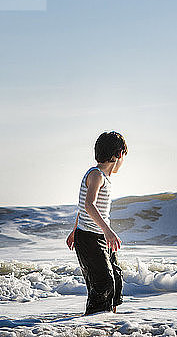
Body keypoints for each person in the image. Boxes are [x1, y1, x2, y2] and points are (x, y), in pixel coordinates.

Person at [66, 131, 127, 315]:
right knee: (103, 284)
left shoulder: (104, 177)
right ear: (118, 154)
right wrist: (108, 231)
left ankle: (110, 321)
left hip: (97, 236)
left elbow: (83, 208)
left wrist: (75, 228)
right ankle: (93, 323)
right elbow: (89, 204)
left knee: (115, 278)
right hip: (89, 238)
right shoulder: (96, 175)